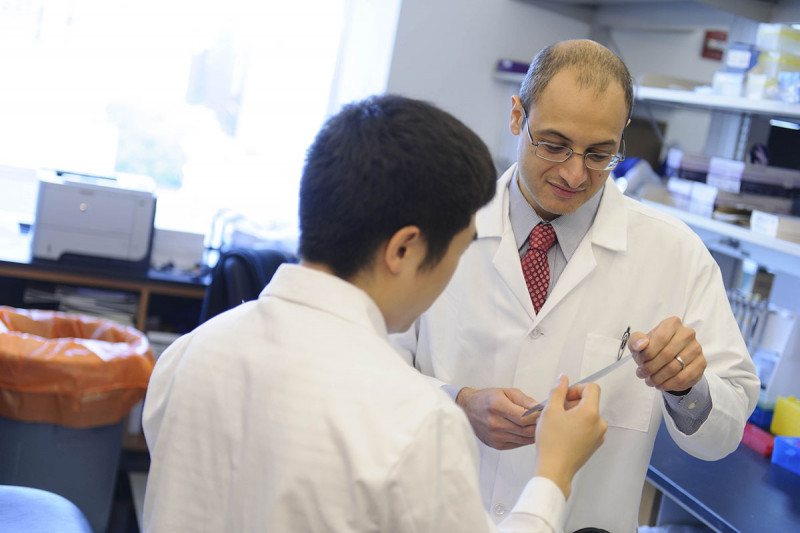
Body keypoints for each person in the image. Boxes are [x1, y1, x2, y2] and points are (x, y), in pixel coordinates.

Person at [141, 94, 608, 532]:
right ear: (404, 248)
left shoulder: (187, 355)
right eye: (460, 249)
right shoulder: (414, 420)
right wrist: (553, 472)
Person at [390, 40, 760, 532]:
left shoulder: (676, 255)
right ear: (517, 115)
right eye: (554, 144)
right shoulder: (436, 222)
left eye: (599, 154)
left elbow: (720, 437)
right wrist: (456, 403)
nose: (573, 172)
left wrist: (686, 384)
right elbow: (365, 372)